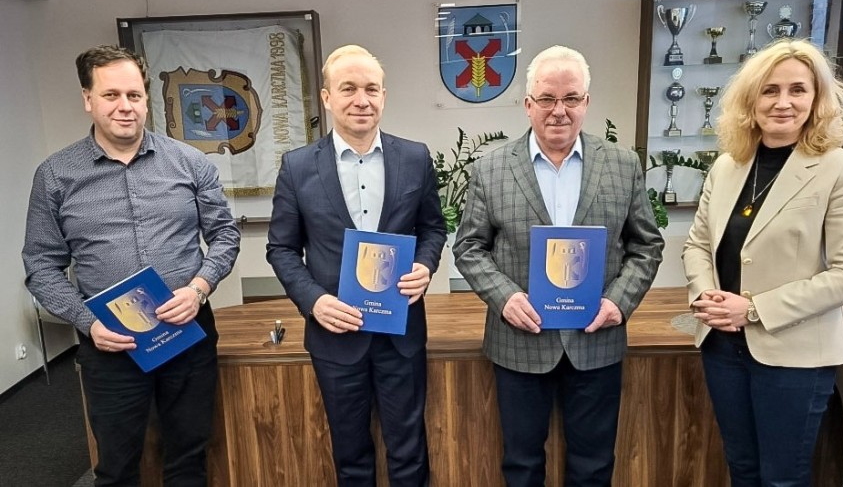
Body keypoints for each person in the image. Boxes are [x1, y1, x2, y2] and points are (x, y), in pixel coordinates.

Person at [22, 45, 240, 485]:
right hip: (110, 344)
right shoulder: (56, 175)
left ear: (146, 99)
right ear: (88, 98)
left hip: (186, 332)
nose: (125, 106)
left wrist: (199, 287)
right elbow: (41, 265)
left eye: (134, 95)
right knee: (117, 467)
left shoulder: (190, 162)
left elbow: (225, 235)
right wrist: (87, 322)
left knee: (189, 458)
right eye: (111, 95)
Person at [452, 45, 664, 486]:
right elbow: (469, 247)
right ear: (528, 104)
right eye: (547, 98)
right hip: (519, 341)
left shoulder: (622, 165)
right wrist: (504, 297)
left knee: (593, 467)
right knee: (522, 466)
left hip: (596, 338)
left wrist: (619, 302)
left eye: (571, 98)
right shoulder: (491, 169)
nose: (559, 111)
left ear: (586, 102)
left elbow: (646, 244)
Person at [683, 39, 843, 486]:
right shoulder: (727, 166)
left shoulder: (842, 168)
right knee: (742, 469)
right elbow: (697, 245)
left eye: (797, 90)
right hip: (722, 347)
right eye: (769, 90)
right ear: (750, 100)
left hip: (795, 353)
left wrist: (752, 309)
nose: (782, 102)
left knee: (782, 479)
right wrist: (707, 295)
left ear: (817, 98)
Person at [266, 45, 446, 486]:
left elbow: (433, 229)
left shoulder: (415, 157)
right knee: (351, 456)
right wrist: (314, 301)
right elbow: (281, 249)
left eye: (371, 89)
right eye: (348, 89)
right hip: (335, 335)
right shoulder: (297, 167)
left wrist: (425, 266)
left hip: (401, 332)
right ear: (327, 97)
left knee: (409, 452)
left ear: (384, 96)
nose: (361, 100)